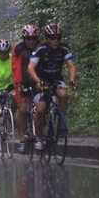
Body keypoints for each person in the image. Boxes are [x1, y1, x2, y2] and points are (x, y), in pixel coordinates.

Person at [27, 23, 77, 151]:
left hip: (56, 79)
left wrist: (72, 80)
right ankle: (38, 137)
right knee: (41, 109)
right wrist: (38, 81)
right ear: (47, 38)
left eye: (58, 38)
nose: (56, 41)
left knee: (63, 94)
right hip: (41, 81)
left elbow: (71, 65)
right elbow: (30, 68)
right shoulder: (40, 49)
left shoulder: (64, 48)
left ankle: (60, 121)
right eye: (52, 38)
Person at [12, 24, 40, 154]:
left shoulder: (41, 48)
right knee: (22, 110)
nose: (31, 41)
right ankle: (22, 140)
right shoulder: (19, 49)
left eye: (34, 39)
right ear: (24, 39)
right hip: (23, 82)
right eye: (28, 39)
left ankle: (40, 135)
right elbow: (16, 68)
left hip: (38, 81)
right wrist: (18, 84)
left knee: (42, 107)